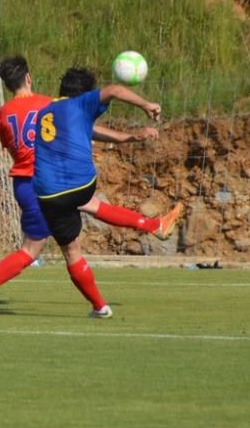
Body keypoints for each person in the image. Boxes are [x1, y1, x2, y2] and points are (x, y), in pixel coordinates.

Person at [0, 56, 181, 310]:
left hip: (26, 184)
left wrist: (129, 137)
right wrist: (129, 137)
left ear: (7, 85)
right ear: (29, 78)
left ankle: (154, 226)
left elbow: (15, 146)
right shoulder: (47, 104)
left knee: (91, 205)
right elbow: (84, 127)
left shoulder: (3, 114)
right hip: (46, 180)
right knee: (33, 250)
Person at [31, 67, 178, 317]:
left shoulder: (46, 112)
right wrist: (147, 105)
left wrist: (132, 137)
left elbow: (93, 131)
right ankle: (153, 226)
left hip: (48, 193)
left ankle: (100, 307)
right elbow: (115, 90)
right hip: (80, 183)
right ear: (84, 93)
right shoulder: (81, 103)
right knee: (85, 200)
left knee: (71, 251)